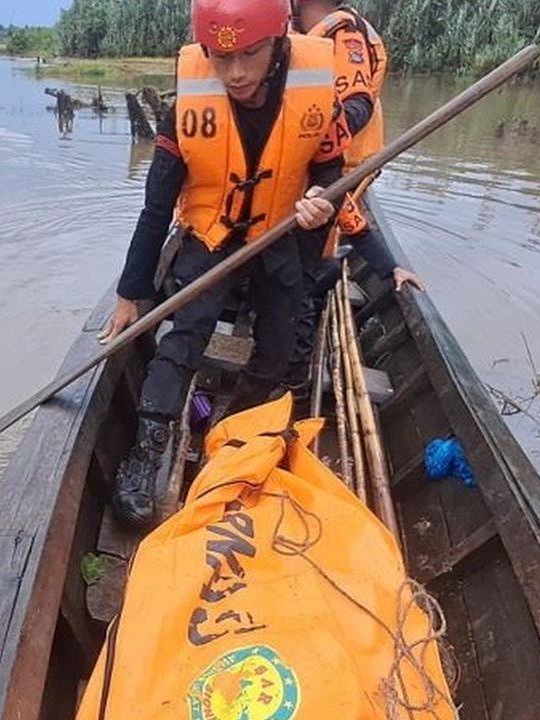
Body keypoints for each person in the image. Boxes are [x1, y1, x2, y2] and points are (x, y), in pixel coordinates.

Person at [96, 0, 349, 529]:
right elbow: (156, 204)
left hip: (278, 229)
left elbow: (329, 166)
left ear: (279, 41)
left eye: (250, 55)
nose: (234, 72)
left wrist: (320, 198)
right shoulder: (190, 99)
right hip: (209, 232)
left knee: (282, 343)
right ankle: (146, 449)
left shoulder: (317, 88)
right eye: (219, 56)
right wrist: (130, 291)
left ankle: (235, 426)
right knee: (184, 331)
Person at [286, 0, 424, 396]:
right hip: (315, 164)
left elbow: (356, 106)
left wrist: (388, 267)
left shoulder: (343, 32)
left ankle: (295, 374)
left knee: (310, 269)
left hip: (339, 166)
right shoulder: (313, 32)